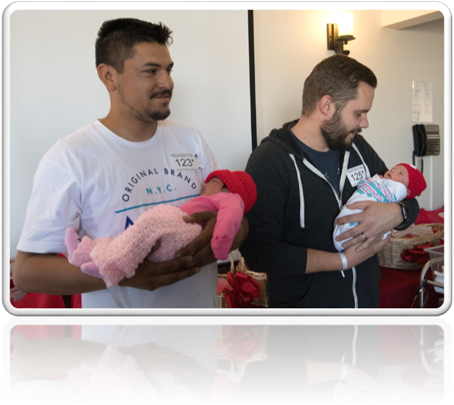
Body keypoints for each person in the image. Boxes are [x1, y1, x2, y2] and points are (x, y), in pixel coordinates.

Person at [13, 18, 248, 310]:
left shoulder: (191, 140)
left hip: (200, 346)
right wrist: (125, 275)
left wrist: (223, 235)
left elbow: (238, 225)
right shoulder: (70, 158)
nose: (167, 82)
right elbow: (26, 272)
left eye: (168, 69)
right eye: (152, 71)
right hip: (116, 348)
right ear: (109, 76)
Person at [240, 54, 420, 309]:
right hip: (305, 337)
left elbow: (407, 195)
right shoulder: (270, 161)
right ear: (327, 105)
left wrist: (396, 212)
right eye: (359, 113)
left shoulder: (357, 148)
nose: (365, 123)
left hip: (364, 330)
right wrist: (343, 261)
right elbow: (259, 253)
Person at [64, 170, 257, 288]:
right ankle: (86, 252)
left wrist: (221, 245)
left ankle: (109, 266)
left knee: (149, 225)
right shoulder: (69, 155)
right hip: (177, 226)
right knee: (126, 235)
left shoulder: (231, 199)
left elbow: (232, 221)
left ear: (228, 187)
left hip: (185, 231)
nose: (204, 184)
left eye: (213, 181)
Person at [333, 163, 427, 251]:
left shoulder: (398, 189)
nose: (393, 170)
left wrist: (397, 211)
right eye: (394, 168)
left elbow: (412, 204)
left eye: (400, 173)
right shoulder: (385, 181)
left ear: (406, 190)